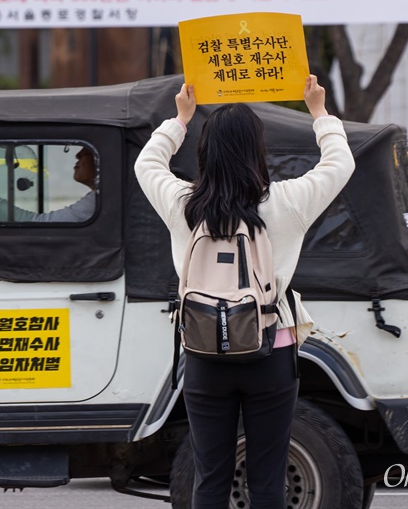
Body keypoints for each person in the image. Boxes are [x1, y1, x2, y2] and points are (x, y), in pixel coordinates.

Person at [134, 76, 354, 508]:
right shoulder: (286, 203)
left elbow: (147, 164)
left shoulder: (183, 205)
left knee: (211, 478)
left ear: (205, 151)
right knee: (267, 478)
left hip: (202, 356)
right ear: (259, 151)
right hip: (270, 353)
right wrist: (319, 113)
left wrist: (179, 120)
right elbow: (340, 164)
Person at [0, 146, 96, 223]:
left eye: (87, 152)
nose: (78, 155)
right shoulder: (101, 197)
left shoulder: (100, 200)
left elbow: (43, 225)